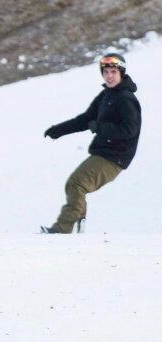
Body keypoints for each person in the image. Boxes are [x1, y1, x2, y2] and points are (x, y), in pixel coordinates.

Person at [41, 53, 141, 234]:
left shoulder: (125, 98)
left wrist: (102, 127)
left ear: (121, 73)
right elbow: (86, 119)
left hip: (115, 156)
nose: (109, 76)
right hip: (104, 152)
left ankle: (63, 228)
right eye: (106, 72)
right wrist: (59, 130)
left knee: (77, 183)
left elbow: (130, 130)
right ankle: (79, 225)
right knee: (75, 184)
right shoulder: (107, 95)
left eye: (113, 72)